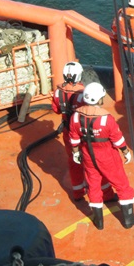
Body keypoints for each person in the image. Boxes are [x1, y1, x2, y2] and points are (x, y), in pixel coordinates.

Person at [68, 82, 134, 230]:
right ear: (99, 99)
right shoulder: (106, 119)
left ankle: (99, 221)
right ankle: (128, 219)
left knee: (93, 185)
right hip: (107, 156)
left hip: (87, 155)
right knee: (122, 185)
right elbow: (117, 138)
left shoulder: (76, 117)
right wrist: (125, 152)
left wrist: (76, 152)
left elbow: (74, 137)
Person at [51, 61, 87, 200]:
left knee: (74, 161)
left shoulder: (57, 92)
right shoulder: (83, 94)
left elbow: (56, 109)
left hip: (68, 131)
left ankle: (78, 192)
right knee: (91, 161)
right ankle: (101, 192)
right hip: (83, 132)